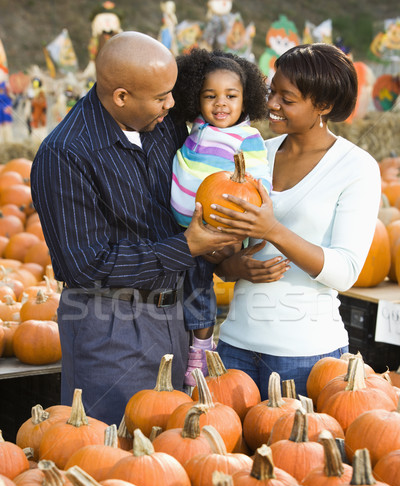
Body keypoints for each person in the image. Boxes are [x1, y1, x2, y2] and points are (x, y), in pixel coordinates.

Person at [30, 31, 245, 425]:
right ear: (121, 97)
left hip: (174, 314)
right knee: (113, 448)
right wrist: (187, 246)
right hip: (109, 324)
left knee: (170, 444)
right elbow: (85, 265)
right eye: (162, 96)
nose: (173, 103)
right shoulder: (65, 155)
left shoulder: (162, 123)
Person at [209, 43, 381, 399]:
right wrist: (232, 265)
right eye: (273, 91)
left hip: (306, 356)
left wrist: (273, 230)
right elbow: (223, 253)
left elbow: (346, 270)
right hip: (234, 346)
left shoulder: (356, 167)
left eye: (287, 99)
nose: (271, 104)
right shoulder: (255, 154)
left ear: (324, 106)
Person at [170, 48, 286, 386]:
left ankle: (201, 348)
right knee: (179, 291)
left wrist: (241, 230)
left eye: (230, 96)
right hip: (180, 230)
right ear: (196, 99)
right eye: (210, 96)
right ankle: (185, 342)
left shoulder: (247, 137)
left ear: (246, 100)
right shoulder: (198, 127)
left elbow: (259, 178)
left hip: (217, 230)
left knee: (199, 288)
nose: (220, 103)